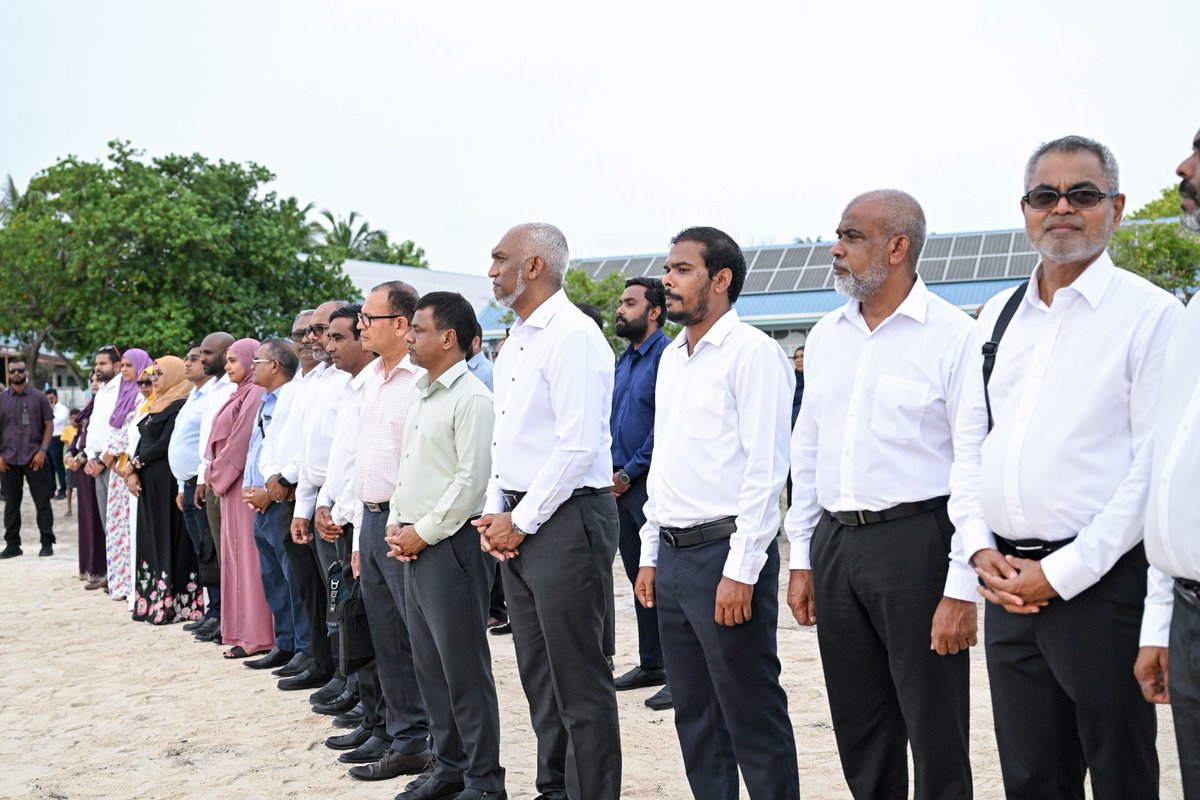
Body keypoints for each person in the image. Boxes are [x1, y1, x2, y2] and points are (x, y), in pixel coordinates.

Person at [950, 135, 1181, 800]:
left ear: (1116, 207)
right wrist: (976, 548)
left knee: (1119, 772)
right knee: (1030, 776)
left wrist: (1062, 573)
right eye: (1046, 195)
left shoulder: (1151, 318)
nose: (1063, 208)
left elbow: (1152, 470)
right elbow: (969, 448)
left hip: (1100, 589)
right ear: (1025, 209)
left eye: (1082, 194)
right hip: (1005, 586)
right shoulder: (996, 317)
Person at [785, 190, 975, 800]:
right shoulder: (828, 333)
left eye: (851, 236)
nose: (836, 250)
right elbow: (807, 452)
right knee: (860, 724)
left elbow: (974, 463)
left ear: (897, 247)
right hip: (838, 545)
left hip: (918, 544)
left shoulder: (953, 337)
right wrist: (803, 558)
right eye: (837, 236)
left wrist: (960, 586)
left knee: (934, 725)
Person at [635, 226, 800, 800]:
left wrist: (743, 569)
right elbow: (666, 464)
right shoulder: (673, 361)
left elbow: (765, 469)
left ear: (721, 279)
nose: (667, 280)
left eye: (681, 269)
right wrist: (651, 553)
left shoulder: (753, 354)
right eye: (668, 269)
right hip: (676, 559)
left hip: (725, 555)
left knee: (750, 709)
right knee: (695, 717)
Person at [474, 223, 621, 800]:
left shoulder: (573, 336)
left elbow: (578, 444)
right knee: (538, 674)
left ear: (533, 266)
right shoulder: (517, 338)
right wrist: (495, 512)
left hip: (564, 520)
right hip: (520, 516)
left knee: (579, 679)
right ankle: (554, 788)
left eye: (499, 258)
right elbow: (505, 439)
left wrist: (521, 519)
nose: (490, 270)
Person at [385, 291, 505, 800]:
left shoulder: (472, 397)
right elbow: (412, 468)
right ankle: (449, 768)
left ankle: (483, 781)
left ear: (448, 338)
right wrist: (397, 525)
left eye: (417, 329)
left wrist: (422, 531)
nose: (408, 337)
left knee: (463, 670)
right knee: (430, 666)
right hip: (415, 544)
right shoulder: (426, 393)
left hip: (450, 548)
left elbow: (470, 483)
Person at [345, 280, 433, 782]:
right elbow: (364, 460)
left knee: (419, 637)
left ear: (401, 325)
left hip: (410, 524)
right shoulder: (370, 379)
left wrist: (404, 524)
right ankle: (404, 739)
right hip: (373, 519)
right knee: (387, 637)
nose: (361, 326)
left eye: (368, 319)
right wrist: (362, 530)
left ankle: (432, 741)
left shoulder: (420, 380)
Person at [1135, 125, 1200, 797]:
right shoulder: (1194, 315)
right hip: (1187, 617)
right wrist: (1162, 623)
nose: (1184, 167)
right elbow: (1166, 481)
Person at [609, 276, 672, 711]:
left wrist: (629, 472)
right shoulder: (624, 360)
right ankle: (652, 661)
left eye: (629, 303)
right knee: (638, 579)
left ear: (654, 311)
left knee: (663, 579)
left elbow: (663, 427)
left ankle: (678, 668)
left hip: (648, 484)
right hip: (618, 488)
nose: (620, 309)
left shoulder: (668, 357)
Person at [240, 338, 310, 674]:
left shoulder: (294, 397)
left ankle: (303, 648)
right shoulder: (267, 400)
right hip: (262, 500)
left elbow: (297, 450)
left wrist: (272, 489)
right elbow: (265, 448)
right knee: (273, 579)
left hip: (282, 499)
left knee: (293, 580)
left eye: (257, 360)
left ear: (275, 366)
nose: (252, 366)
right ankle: (284, 644)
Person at [206, 337, 274, 660]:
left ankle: (258, 635)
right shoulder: (239, 394)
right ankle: (239, 631)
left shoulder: (255, 394)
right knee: (234, 559)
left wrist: (217, 475)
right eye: (228, 361)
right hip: (229, 486)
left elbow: (240, 442)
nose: (228, 366)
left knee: (249, 561)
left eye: (234, 360)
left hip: (239, 485)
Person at [127, 356, 203, 624]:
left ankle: (176, 603)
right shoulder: (154, 406)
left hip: (166, 482)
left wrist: (135, 464)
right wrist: (132, 470)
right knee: (151, 537)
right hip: (148, 483)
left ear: (173, 376)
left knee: (170, 536)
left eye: (159, 373)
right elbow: (143, 441)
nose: (154, 378)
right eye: (152, 373)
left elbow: (162, 444)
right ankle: (150, 600)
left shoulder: (179, 405)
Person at [169, 346, 223, 636]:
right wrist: (181, 485)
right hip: (189, 485)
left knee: (210, 549)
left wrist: (197, 481)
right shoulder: (194, 397)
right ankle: (212, 609)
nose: (191, 363)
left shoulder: (214, 395)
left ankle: (219, 612)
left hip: (203, 483)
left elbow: (207, 445)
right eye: (189, 358)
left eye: (197, 358)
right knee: (201, 551)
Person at [192, 332, 237, 644]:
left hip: (225, 482)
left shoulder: (234, 388)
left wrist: (214, 477)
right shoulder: (212, 389)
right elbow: (206, 441)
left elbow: (231, 442)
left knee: (228, 554)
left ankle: (230, 620)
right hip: (208, 478)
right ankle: (221, 615)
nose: (203, 358)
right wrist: (200, 477)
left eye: (209, 353)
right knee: (213, 553)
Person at [101, 349, 154, 598]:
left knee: (130, 528)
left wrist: (109, 455)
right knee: (118, 528)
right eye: (122, 365)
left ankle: (132, 583)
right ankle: (120, 582)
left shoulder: (142, 396)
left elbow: (131, 433)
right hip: (117, 470)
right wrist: (107, 456)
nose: (124, 370)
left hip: (129, 468)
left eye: (129, 365)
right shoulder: (122, 394)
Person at [0, 358, 55, 558]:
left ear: (26, 373)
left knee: (42, 502)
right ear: (8, 373)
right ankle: (13, 545)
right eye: (13, 371)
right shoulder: (2, 399)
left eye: (20, 370)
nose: (17, 374)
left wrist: (42, 451)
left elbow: (49, 425)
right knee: (11, 504)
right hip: (8, 460)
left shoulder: (39, 397)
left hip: (35, 458)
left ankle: (47, 542)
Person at [69, 378, 107, 586]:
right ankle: (90, 568)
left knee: (98, 518)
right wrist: (69, 454)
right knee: (87, 519)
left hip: (96, 465)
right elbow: (78, 436)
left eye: (99, 379)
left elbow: (103, 437)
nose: (95, 383)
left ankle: (103, 569)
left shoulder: (106, 405)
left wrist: (82, 457)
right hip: (82, 469)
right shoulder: (89, 408)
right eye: (92, 379)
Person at [84, 345, 122, 532]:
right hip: (97, 461)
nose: (97, 367)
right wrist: (90, 456)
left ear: (117, 366)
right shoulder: (102, 390)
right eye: (96, 363)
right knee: (106, 522)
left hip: (114, 460)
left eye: (102, 363)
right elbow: (93, 426)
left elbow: (121, 430)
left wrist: (101, 459)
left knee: (118, 522)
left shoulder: (124, 389)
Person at [45, 388, 69, 499]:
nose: (49, 401)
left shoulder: (62, 409)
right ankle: (50, 490)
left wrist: (51, 409)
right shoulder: (45, 409)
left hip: (57, 439)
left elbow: (55, 421)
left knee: (58, 465)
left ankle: (63, 489)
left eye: (51, 398)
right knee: (49, 467)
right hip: (47, 439)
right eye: (47, 399)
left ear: (56, 397)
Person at [61, 408, 79, 517]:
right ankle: (68, 507)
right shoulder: (67, 429)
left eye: (76, 418)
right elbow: (68, 445)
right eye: (72, 418)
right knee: (70, 486)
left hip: (81, 461)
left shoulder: (83, 429)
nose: (74, 421)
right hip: (70, 462)